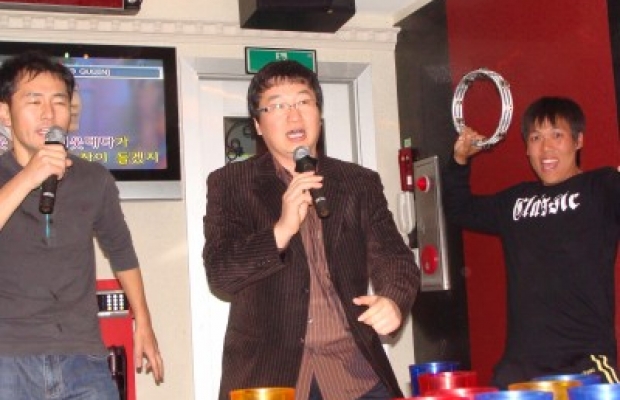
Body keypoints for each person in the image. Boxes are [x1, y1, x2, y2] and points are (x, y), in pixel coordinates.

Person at [203, 60, 420, 400]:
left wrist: (393, 300)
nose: (294, 115)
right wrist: (281, 230)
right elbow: (221, 274)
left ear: (319, 114)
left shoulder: (358, 182)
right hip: (269, 379)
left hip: (355, 375)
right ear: (257, 124)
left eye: (304, 101)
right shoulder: (230, 184)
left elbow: (395, 257)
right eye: (277, 105)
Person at [0, 51, 164, 399]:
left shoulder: (93, 178)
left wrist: (144, 323)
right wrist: (29, 177)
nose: (49, 113)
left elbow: (122, 252)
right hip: (8, 355)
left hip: (82, 355)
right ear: (4, 112)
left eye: (59, 101)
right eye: (34, 101)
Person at [442, 96, 620, 388]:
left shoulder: (601, 187)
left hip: (585, 361)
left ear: (578, 141)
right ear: (526, 148)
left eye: (557, 135)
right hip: (521, 364)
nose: (546, 147)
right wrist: (460, 160)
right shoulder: (516, 201)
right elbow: (459, 209)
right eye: (536, 138)